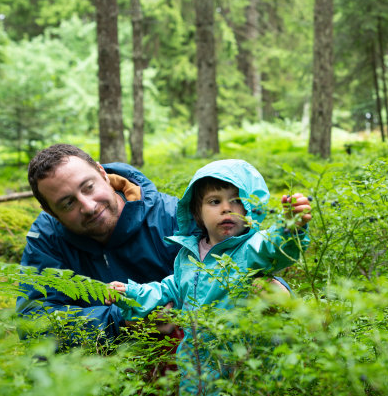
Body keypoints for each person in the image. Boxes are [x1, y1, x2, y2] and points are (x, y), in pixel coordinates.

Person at [16, 144, 293, 341]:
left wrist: (277, 287)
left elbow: (242, 257)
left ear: (103, 174)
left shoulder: (171, 219)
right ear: (51, 212)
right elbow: (33, 320)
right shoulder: (48, 240)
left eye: (88, 187)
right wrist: (120, 322)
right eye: (67, 203)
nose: (88, 206)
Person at [106, 159, 311, 395]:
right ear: (197, 213)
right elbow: (167, 290)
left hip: (241, 363)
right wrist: (130, 293)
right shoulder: (187, 257)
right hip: (196, 366)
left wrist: (291, 226)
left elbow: (275, 246)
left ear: (249, 209)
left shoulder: (250, 249)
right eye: (215, 201)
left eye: (236, 201)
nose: (226, 208)